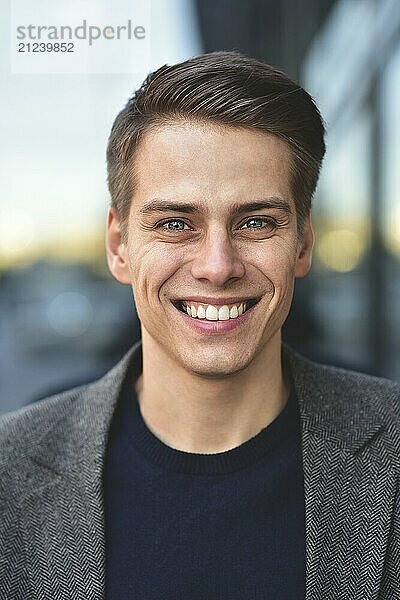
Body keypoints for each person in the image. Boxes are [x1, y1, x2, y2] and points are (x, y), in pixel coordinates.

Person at [0, 51, 399, 600]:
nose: (217, 265)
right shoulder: (10, 471)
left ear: (303, 242)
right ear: (119, 246)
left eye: (257, 222)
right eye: (175, 223)